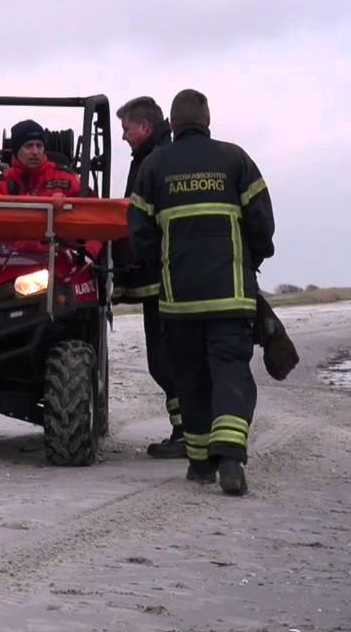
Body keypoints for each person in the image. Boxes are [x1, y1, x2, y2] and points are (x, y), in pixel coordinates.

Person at [128, 89, 275, 496]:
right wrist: (253, 258)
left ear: (172, 124)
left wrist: (160, 263)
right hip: (231, 296)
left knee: (190, 377)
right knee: (230, 370)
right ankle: (229, 457)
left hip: (179, 300)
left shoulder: (154, 166)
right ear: (207, 120)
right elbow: (262, 223)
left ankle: (198, 464)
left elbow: (138, 234)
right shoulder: (235, 159)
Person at [110, 97, 181, 458]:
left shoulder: (154, 162)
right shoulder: (154, 157)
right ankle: (187, 431)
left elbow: (140, 219)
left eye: (126, 129)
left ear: (145, 128)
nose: (123, 137)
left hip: (161, 279)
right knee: (168, 359)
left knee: (165, 360)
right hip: (167, 277)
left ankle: (187, 432)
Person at [0, 120, 82, 197]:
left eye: (39, 146)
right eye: (29, 146)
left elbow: (91, 210)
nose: (35, 152)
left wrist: (67, 206)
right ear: (16, 151)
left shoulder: (67, 178)